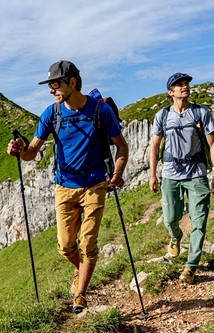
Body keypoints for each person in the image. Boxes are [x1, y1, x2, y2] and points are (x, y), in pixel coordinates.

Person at [7, 60, 129, 313]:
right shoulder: (51, 114)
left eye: (55, 84)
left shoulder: (100, 111)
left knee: (87, 244)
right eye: (50, 85)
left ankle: (80, 294)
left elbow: (122, 146)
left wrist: (117, 173)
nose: (51, 90)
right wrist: (19, 150)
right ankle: (80, 268)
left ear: (72, 82)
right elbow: (31, 152)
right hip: (64, 185)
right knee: (65, 246)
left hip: (95, 183)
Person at [148, 72, 214, 284]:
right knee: (171, 218)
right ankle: (176, 237)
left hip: (197, 173)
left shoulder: (201, 113)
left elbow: (213, 143)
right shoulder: (162, 116)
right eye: (179, 85)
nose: (185, 87)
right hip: (170, 174)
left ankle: (190, 267)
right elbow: (154, 145)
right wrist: (153, 173)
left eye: (186, 84)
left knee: (199, 221)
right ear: (170, 92)